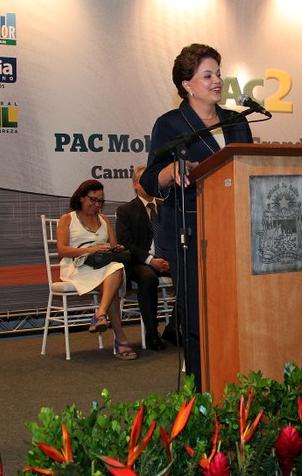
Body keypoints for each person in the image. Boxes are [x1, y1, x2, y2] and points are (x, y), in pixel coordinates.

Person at [140, 44, 254, 390]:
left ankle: (237, 381)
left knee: (234, 310)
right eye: (208, 75)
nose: (218, 80)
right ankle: (202, 388)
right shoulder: (171, 124)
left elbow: (248, 168)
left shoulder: (236, 122)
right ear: (188, 84)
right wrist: (169, 172)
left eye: (218, 73)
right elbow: (149, 179)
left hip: (234, 228)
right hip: (191, 230)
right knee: (197, 315)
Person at [57, 180, 137, 360]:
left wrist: (116, 249)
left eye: (100, 201)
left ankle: (100, 314)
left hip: (103, 264)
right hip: (78, 265)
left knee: (115, 267)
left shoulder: (104, 219)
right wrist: (89, 250)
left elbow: (114, 245)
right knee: (113, 282)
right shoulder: (67, 219)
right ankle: (120, 338)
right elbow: (62, 250)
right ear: (81, 198)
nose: (96, 205)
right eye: (92, 200)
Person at [116, 165, 172, 350]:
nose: (148, 184)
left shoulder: (167, 206)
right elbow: (126, 244)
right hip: (140, 262)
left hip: (167, 260)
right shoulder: (126, 210)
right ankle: (152, 333)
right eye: (143, 180)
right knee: (148, 278)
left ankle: (173, 327)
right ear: (135, 185)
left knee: (191, 275)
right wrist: (150, 260)